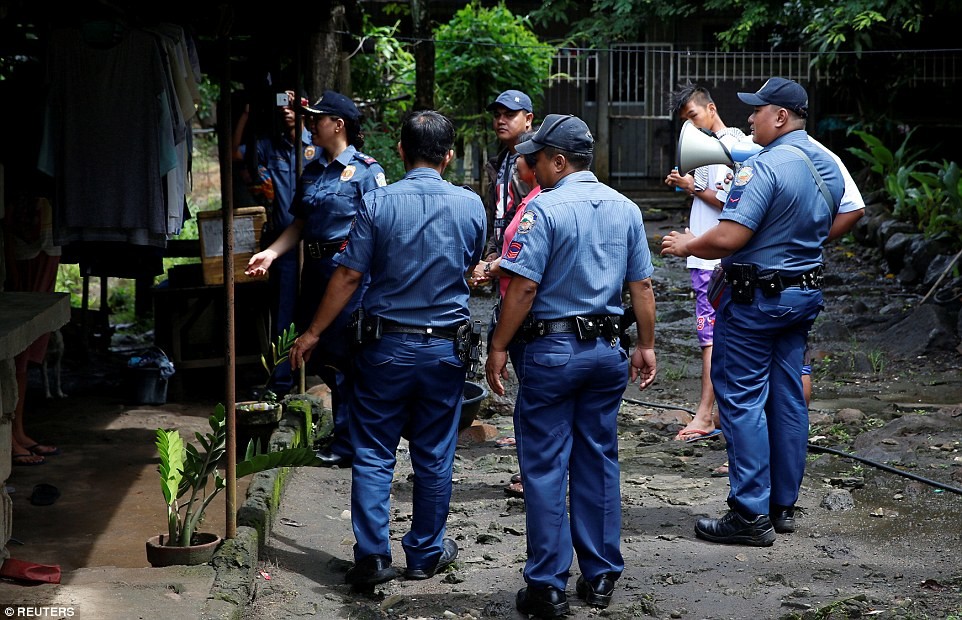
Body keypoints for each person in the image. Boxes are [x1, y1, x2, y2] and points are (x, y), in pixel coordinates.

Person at [287, 110, 486, 587]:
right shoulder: (471, 206)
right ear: (450, 156)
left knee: (375, 452)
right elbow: (472, 266)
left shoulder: (377, 203)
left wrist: (313, 333)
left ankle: (373, 558)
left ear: (400, 150)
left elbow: (349, 274)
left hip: (384, 349)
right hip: (444, 351)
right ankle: (424, 554)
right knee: (434, 454)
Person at [485, 114, 657, 617]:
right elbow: (641, 286)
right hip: (607, 353)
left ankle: (547, 586)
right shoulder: (626, 209)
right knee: (598, 459)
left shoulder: (544, 210)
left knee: (543, 466)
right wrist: (645, 344)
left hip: (552, 354)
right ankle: (601, 576)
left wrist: (498, 345)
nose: (531, 166)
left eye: (537, 158)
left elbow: (523, 287)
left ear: (559, 161)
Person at [661, 77, 844, 546]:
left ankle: (748, 514)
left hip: (754, 302)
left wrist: (688, 245)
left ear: (780, 117)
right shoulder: (827, 164)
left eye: (757, 110)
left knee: (741, 399)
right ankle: (781, 506)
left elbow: (729, 236)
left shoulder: (762, 168)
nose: (749, 117)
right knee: (786, 397)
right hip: (802, 296)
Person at [245, 90, 386, 467]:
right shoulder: (311, 168)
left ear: (337, 125)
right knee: (325, 356)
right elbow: (301, 224)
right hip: (316, 272)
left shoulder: (368, 171)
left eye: (317, 119)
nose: (310, 124)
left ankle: (354, 444)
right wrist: (272, 253)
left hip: (351, 275)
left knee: (349, 356)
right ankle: (347, 437)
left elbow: (383, 230)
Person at [663, 84, 746, 443]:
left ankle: (705, 414)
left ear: (711, 108)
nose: (692, 127)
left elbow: (731, 202)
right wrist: (686, 186)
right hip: (706, 253)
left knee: (710, 339)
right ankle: (719, 416)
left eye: (694, 117)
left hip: (713, 258)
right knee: (715, 336)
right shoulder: (718, 145)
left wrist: (692, 188)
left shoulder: (730, 145)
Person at [232, 89, 320, 397]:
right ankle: (282, 381)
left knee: (319, 310)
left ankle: (317, 374)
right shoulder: (272, 147)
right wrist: (245, 113)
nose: (287, 111)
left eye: (293, 105)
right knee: (284, 314)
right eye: (283, 105)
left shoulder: (317, 147)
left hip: (316, 247)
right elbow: (237, 155)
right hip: (284, 243)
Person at [471, 129, 540, 499]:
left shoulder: (538, 205)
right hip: (518, 302)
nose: (518, 162)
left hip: (527, 313)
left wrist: (490, 268)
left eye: (525, 157)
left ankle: (534, 476)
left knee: (531, 397)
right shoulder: (529, 198)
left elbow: (523, 272)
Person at [483, 89, 534, 265]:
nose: (501, 121)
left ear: (528, 119)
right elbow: (496, 212)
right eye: (497, 116)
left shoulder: (538, 160)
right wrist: (492, 250)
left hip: (526, 258)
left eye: (510, 115)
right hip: (502, 259)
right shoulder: (499, 162)